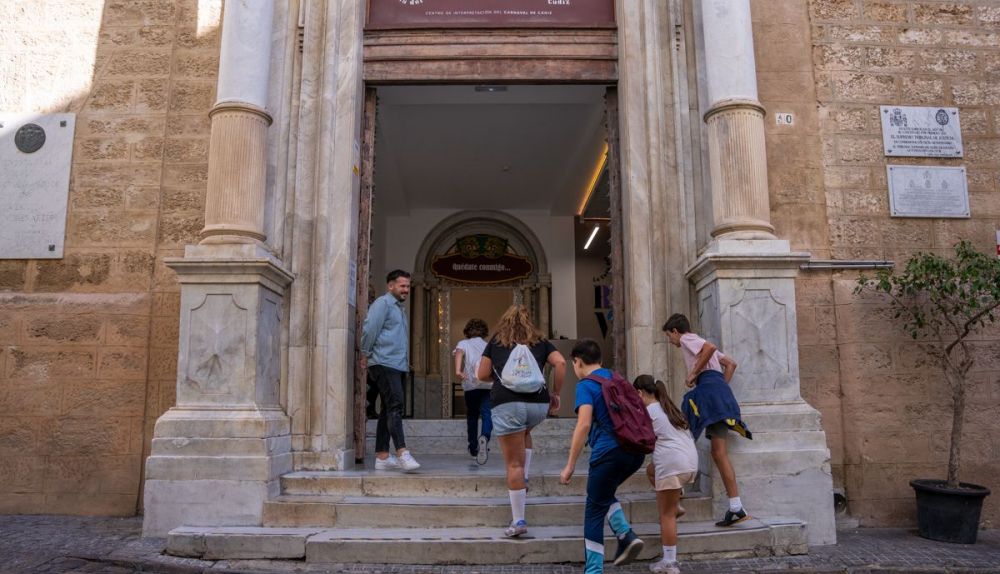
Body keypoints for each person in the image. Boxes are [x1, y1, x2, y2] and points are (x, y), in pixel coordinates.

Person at [477, 304, 565, 538]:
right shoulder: (540, 341)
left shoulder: (496, 341)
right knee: (524, 432)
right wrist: (556, 393)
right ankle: (524, 478)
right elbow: (561, 363)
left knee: (512, 464)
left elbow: (481, 374)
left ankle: (518, 521)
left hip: (508, 403)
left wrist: (501, 375)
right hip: (538, 405)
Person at [560, 339, 645, 573]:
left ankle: (594, 570)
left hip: (608, 453)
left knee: (594, 511)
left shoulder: (586, 385)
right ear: (600, 360)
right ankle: (625, 534)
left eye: (573, 364)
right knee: (602, 494)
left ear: (577, 361)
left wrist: (569, 465)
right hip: (634, 452)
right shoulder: (616, 378)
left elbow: (583, 424)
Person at [662, 313, 751, 528]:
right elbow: (730, 364)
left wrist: (693, 373)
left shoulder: (687, 339)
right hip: (719, 393)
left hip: (708, 393)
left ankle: (676, 485)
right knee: (718, 453)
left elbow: (710, 347)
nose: (670, 341)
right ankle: (736, 507)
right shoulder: (696, 345)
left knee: (681, 434)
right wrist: (719, 386)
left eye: (669, 336)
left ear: (675, 331)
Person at [633, 375, 698, 574]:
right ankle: (676, 503)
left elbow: (638, 438)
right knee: (650, 471)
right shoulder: (668, 408)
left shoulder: (648, 411)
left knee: (666, 516)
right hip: (689, 463)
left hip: (671, 465)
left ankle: (669, 563)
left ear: (639, 393)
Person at [361, 269, 420, 472]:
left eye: (408, 286)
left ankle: (382, 457)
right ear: (391, 286)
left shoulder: (398, 309)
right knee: (396, 405)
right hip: (384, 363)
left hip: (396, 364)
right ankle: (402, 452)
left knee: (388, 408)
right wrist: (365, 353)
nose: (406, 290)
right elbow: (370, 329)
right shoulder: (383, 304)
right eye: (402, 286)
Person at [454, 318, 492, 464]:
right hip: (488, 384)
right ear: (484, 332)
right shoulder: (488, 345)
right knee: (487, 413)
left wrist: (458, 370)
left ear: (467, 331)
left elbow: (459, 353)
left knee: (472, 416)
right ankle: (485, 436)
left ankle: (473, 448)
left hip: (471, 385)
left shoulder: (463, 343)